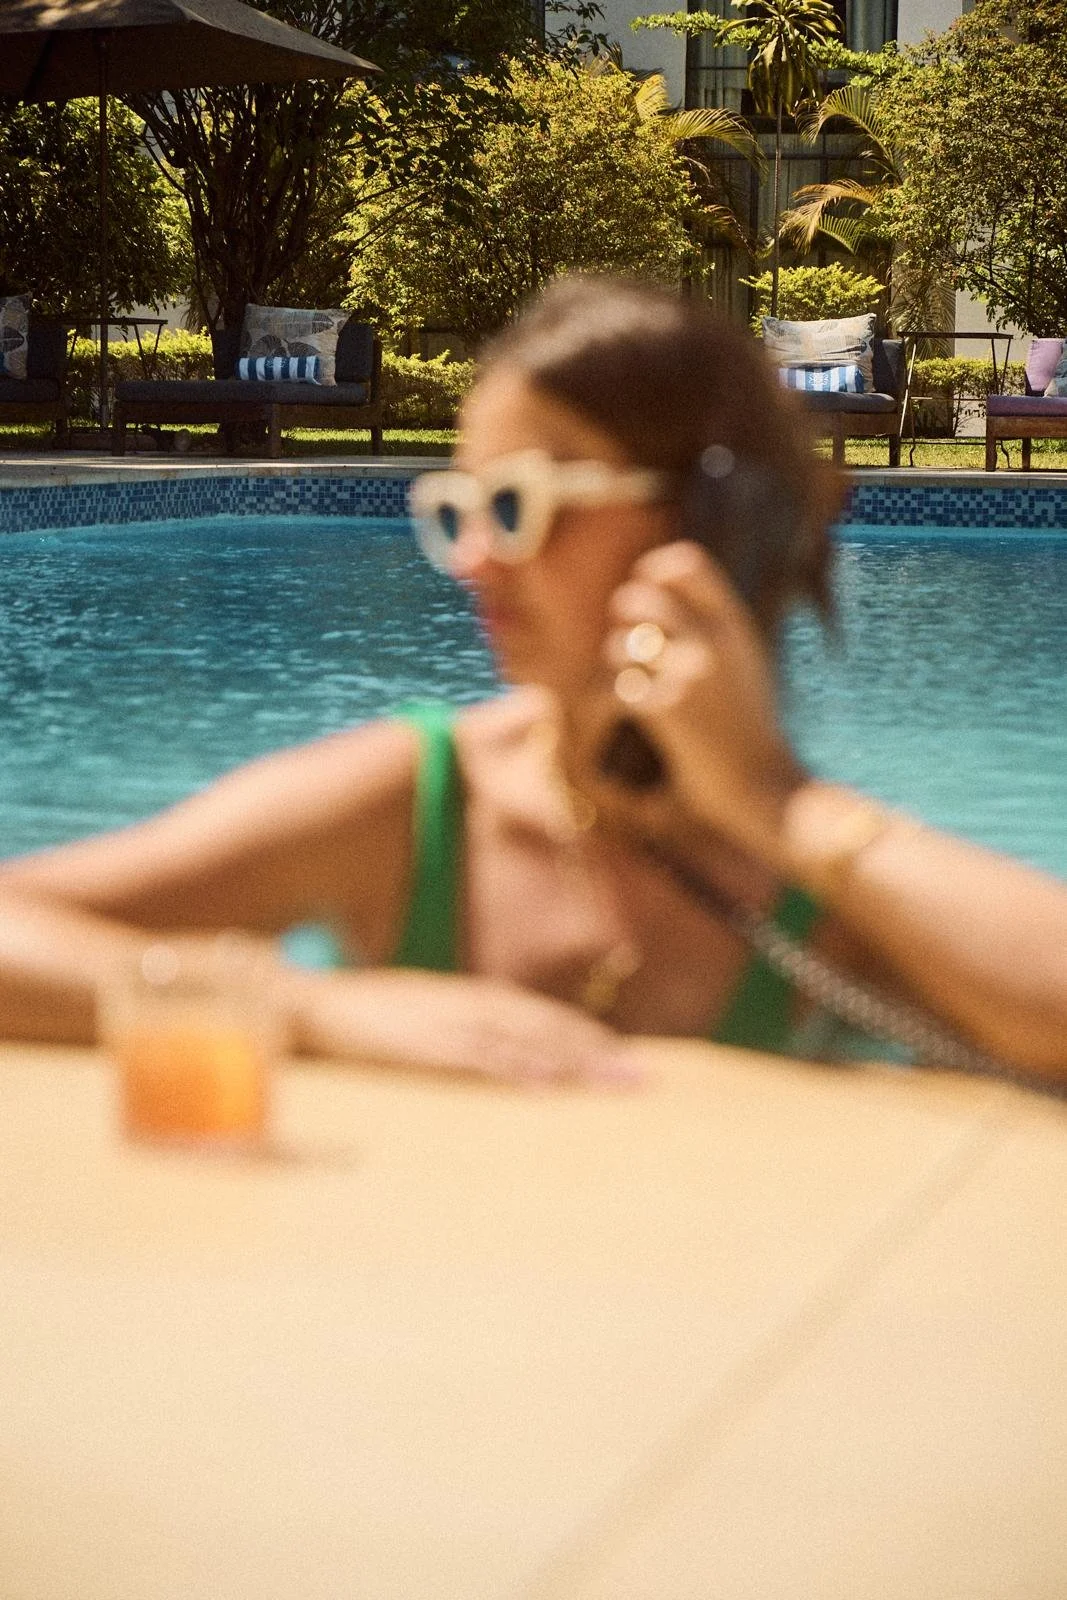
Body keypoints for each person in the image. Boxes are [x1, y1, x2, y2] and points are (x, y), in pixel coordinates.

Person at [2, 275, 1066, 1082]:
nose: (471, 559)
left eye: (517, 503)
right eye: (457, 510)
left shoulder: (821, 880)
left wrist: (766, 800)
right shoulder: (413, 807)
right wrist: (294, 1004)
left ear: (707, 518)